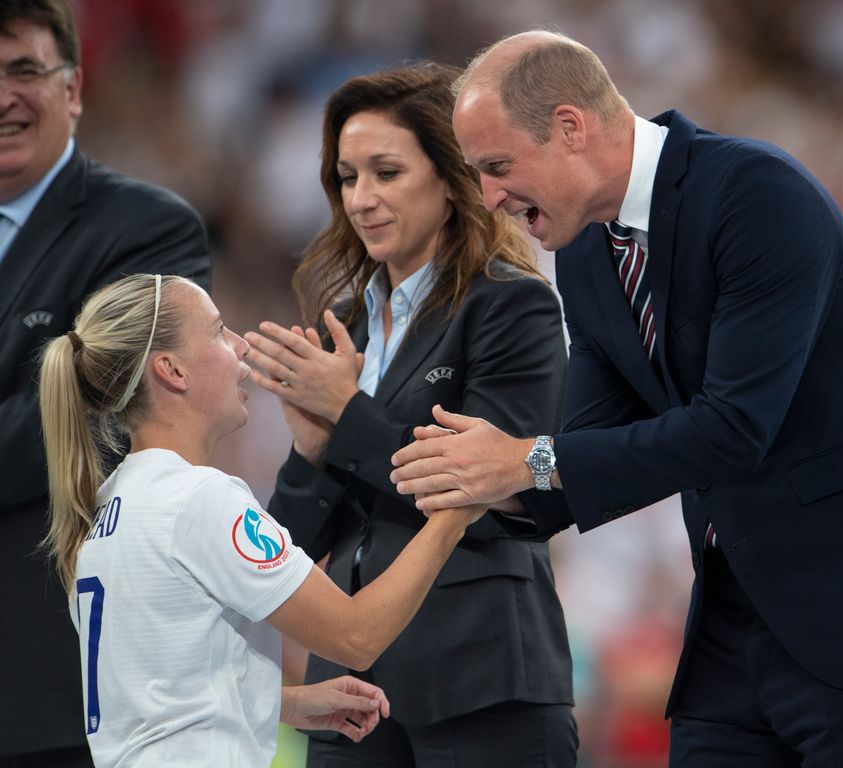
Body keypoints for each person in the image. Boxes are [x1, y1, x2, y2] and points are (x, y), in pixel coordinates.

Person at [389, 31, 843, 767]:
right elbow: (580, 452)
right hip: (731, 628)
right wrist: (466, 473)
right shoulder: (583, 253)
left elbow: (734, 428)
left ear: (570, 128)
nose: (488, 197)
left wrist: (526, 461)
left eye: (497, 167)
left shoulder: (757, 194)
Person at [243, 62, 577, 767]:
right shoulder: (345, 324)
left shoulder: (511, 306)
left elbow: (485, 492)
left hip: (483, 679)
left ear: (452, 180)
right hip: (350, 693)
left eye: (386, 173)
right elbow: (297, 544)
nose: (361, 199)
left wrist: (348, 413)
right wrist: (309, 453)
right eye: (347, 177)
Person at [38, 273, 492, 767]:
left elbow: (155, 693)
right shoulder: (199, 498)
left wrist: (286, 703)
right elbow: (356, 636)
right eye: (217, 331)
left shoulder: (104, 509)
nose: (240, 348)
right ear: (171, 369)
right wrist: (454, 511)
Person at [0, 2, 210, 765]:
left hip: (58, 684)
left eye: (24, 70)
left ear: (75, 87)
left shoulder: (147, 231)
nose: (3, 97)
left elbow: (104, 414)